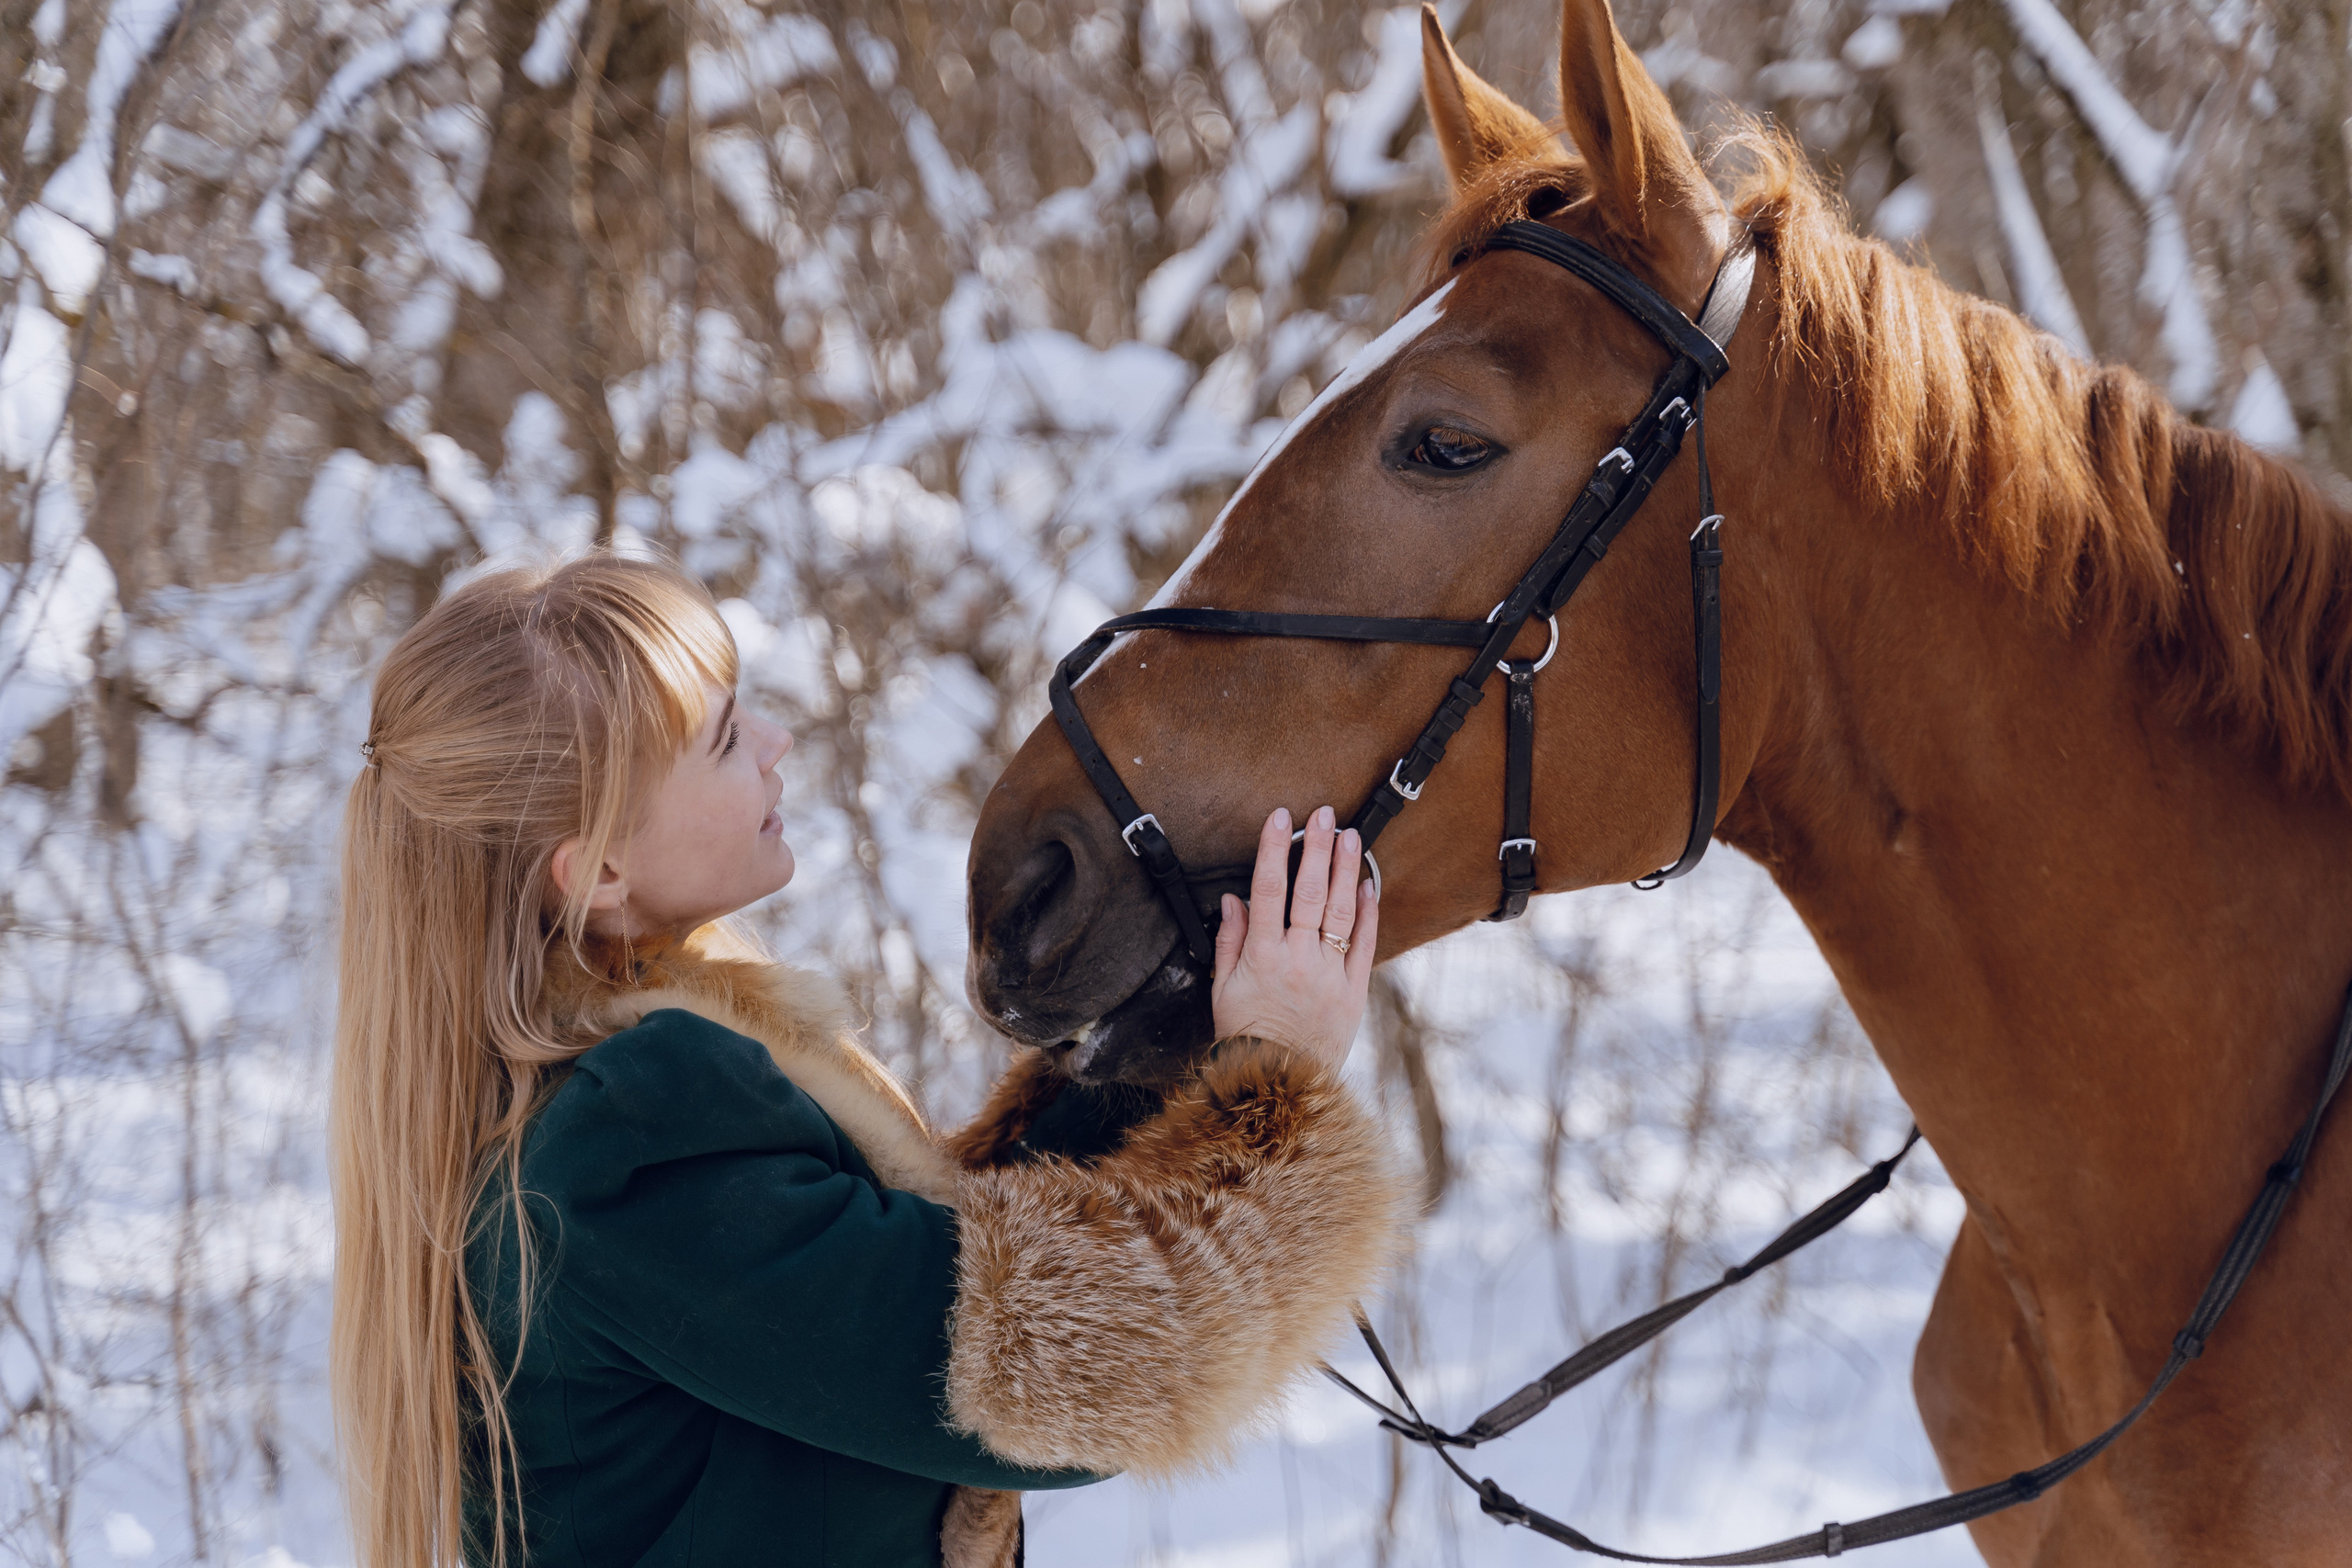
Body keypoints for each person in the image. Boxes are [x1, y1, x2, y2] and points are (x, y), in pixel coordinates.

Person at [329, 551, 1408, 1568]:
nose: (776, 739)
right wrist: (1272, 1084)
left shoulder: (604, 1089)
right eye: (722, 739)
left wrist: (1160, 1046)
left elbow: (914, 1277)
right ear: (600, 872)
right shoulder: (630, 1138)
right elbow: (1063, 1374)